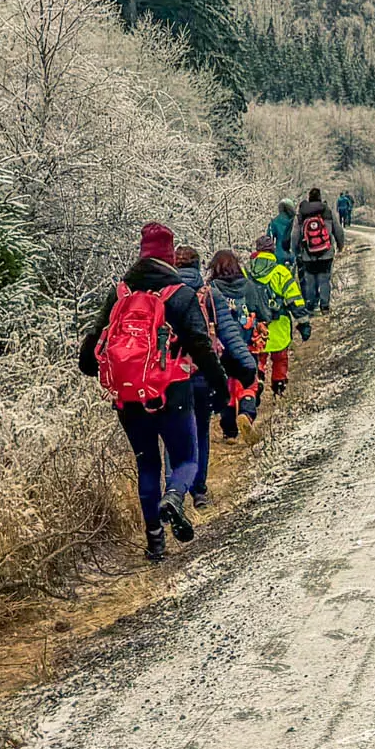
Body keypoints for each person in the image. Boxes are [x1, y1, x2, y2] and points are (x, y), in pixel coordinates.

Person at [78, 223, 247, 562]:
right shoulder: (178, 294)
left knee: (147, 464)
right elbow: (201, 346)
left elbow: (91, 349)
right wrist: (221, 387)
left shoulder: (121, 293)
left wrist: (101, 369)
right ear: (169, 257)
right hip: (172, 391)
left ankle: (155, 542)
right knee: (186, 457)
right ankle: (174, 496)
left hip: (129, 396)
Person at [173, 245, 259, 507]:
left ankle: (174, 492)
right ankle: (199, 491)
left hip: (170, 377)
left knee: (174, 435)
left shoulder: (163, 294)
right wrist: (248, 367)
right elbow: (230, 334)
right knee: (200, 431)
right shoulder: (208, 295)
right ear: (198, 266)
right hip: (203, 373)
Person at [244, 233, 312, 403]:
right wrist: (303, 323)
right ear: (272, 251)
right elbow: (295, 300)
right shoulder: (281, 272)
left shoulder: (246, 272)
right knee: (280, 357)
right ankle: (279, 389)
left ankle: (257, 382)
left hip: (255, 327)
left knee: (258, 357)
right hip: (278, 324)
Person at [206, 249, 265, 437]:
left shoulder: (211, 288)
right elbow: (260, 312)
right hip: (247, 345)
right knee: (249, 384)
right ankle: (246, 414)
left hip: (223, 348)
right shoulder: (248, 286)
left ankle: (229, 431)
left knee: (228, 385)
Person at [294, 187, 345, 312]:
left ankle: (310, 305)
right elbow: (338, 230)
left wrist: (296, 251)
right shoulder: (327, 211)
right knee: (324, 279)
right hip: (326, 253)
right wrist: (340, 245)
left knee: (310, 279)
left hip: (308, 254)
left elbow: (295, 235)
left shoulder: (302, 213)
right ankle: (325, 305)